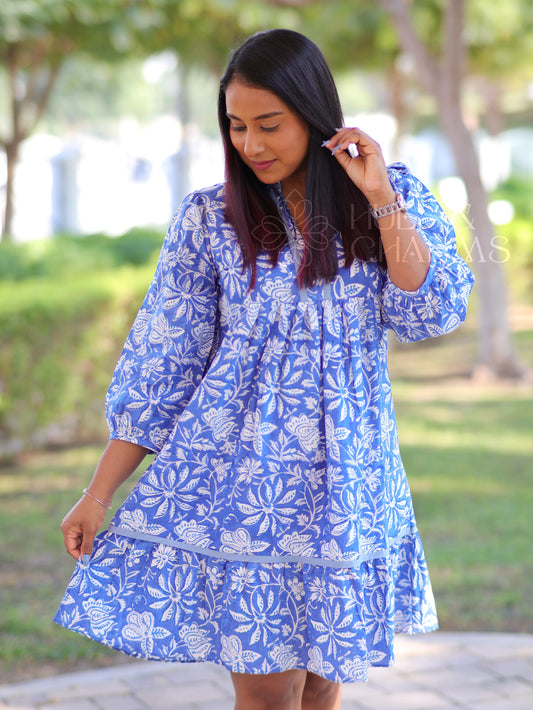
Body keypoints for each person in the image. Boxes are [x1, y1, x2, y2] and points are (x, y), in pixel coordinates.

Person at [55, 28, 474, 710]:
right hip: (248, 494)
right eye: (237, 126)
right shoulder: (210, 219)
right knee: (266, 697)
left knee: (317, 692)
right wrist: (98, 493)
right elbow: (164, 365)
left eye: (269, 125)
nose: (250, 145)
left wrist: (378, 197)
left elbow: (430, 311)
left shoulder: (386, 199)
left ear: (312, 113)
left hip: (349, 488)